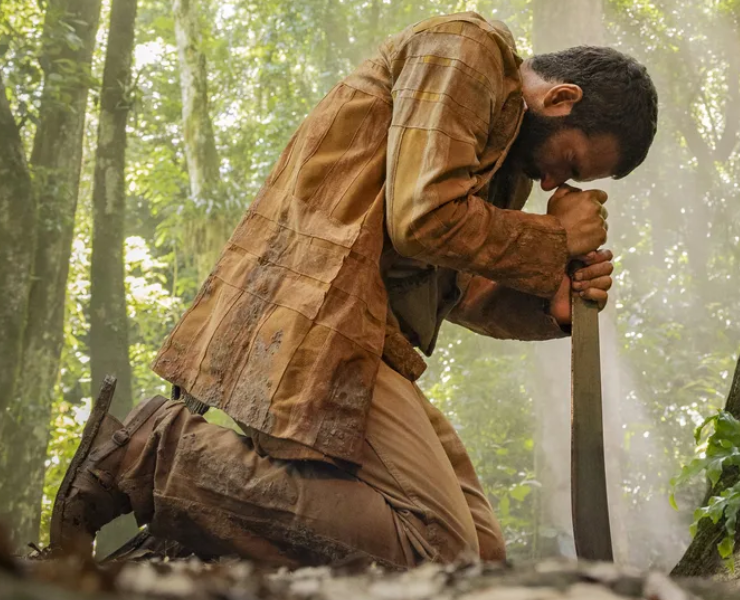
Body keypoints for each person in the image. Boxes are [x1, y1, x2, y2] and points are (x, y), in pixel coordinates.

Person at [49, 11, 658, 568]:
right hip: (314, 322)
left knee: (484, 566)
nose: (554, 181)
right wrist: (554, 238)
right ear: (560, 97)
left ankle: (207, 521)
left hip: (367, 347)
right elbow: (422, 220)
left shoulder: (504, 166)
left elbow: (456, 289)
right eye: (569, 163)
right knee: (439, 557)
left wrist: (546, 308)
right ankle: (153, 455)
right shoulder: (467, 50)